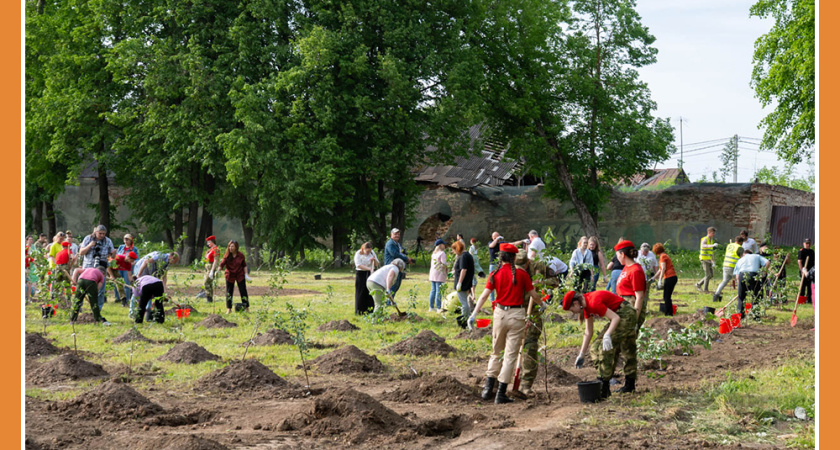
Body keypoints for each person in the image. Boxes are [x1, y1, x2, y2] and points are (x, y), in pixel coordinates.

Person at [468, 243, 547, 404]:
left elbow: (483, 296)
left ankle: (487, 389)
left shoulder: (494, 273)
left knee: (496, 351)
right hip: (517, 315)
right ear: (514, 257)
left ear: (501, 257)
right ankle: (501, 394)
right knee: (510, 355)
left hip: (499, 314)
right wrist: (542, 305)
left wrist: (474, 314)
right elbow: (534, 294)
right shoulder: (522, 274)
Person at [564, 289, 638, 398]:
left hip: (626, 314)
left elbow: (615, 318)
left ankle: (604, 386)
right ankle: (613, 381)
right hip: (618, 315)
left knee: (606, 348)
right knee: (595, 347)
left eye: (571, 309)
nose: (573, 313)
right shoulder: (586, 307)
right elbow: (588, 332)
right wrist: (582, 354)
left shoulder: (593, 302)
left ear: (575, 303)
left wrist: (607, 335)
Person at [515, 248, 560, 396]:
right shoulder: (510, 269)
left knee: (530, 346)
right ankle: (502, 382)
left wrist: (541, 283)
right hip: (515, 312)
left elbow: (555, 281)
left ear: (528, 262)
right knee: (511, 347)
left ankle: (526, 383)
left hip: (533, 312)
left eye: (523, 265)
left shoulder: (539, 267)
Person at [79, 225, 117, 310]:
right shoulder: (88, 238)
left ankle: (97, 309)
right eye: (100, 233)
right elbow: (81, 252)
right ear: (95, 232)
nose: (102, 235)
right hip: (88, 266)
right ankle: (78, 307)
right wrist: (89, 245)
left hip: (101, 267)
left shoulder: (108, 241)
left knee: (101, 290)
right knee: (83, 287)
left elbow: (112, 256)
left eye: (104, 234)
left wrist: (113, 253)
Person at [615, 240, 647, 331]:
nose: (617, 258)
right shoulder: (627, 267)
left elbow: (639, 296)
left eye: (617, 255)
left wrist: (634, 319)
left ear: (622, 254)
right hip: (623, 306)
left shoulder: (635, 271)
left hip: (630, 307)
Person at [70, 260, 110, 325]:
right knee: (94, 303)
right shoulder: (102, 276)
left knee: (77, 301)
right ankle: (97, 319)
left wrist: (73, 279)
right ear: (103, 272)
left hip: (81, 281)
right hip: (92, 282)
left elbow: (76, 270)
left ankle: (72, 319)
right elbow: (98, 289)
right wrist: (93, 295)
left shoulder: (88, 269)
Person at [734, 250, 771, 315]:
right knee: (756, 296)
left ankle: (740, 315)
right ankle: (755, 315)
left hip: (742, 275)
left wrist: (740, 288)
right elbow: (768, 262)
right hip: (754, 275)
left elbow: (737, 276)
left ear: (744, 254)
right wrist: (764, 273)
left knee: (741, 298)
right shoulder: (757, 256)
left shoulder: (740, 259)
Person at [383, 228, 414, 298]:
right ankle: (388, 301)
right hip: (391, 266)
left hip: (398, 266)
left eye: (398, 234)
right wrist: (406, 259)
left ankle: (390, 300)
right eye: (395, 234)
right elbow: (395, 254)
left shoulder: (397, 244)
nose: (397, 235)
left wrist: (407, 260)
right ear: (391, 235)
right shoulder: (390, 244)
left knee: (397, 285)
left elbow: (402, 253)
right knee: (393, 284)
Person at [712, 236, 745, 302]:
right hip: (733, 266)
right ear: (741, 242)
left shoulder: (729, 245)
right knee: (739, 281)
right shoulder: (740, 248)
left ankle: (716, 295)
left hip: (725, 265)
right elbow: (742, 258)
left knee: (724, 281)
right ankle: (741, 295)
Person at [220, 240, 249, 314]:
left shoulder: (241, 255)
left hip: (240, 274)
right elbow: (221, 264)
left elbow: (244, 265)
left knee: (243, 291)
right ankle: (229, 309)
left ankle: (246, 308)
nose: (230, 248)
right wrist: (217, 271)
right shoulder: (227, 255)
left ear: (236, 247)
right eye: (229, 246)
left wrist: (246, 274)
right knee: (229, 292)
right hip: (230, 275)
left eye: (232, 246)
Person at [112, 234, 140, 307]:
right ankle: (118, 298)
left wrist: (132, 282)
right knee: (117, 283)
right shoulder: (121, 247)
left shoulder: (134, 249)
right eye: (125, 239)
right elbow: (113, 260)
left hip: (126, 267)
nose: (126, 241)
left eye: (127, 239)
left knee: (126, 283)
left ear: (131, 240)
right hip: (118, 267)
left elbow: (137, 259)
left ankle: (126, 300)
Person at [451, 241, 475, 323]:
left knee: (464, 303)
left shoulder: (463, 256)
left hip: (463, 283)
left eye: (454, 250)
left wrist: (459, 282)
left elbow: (464, 269)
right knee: (465, 301)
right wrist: (453, 272)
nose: (453, 252)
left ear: (457, 249)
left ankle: (466, 319)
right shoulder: (468, 255)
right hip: (468, 281)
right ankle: (466, 316)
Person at [652, 243, 677, 316]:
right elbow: (660, 270)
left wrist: (660, 280)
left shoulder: (663, 257)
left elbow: (663, 269)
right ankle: (669, 312)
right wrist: (654, 277)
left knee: (666, 296)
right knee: (667, 296)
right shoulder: (665, 256)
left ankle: (668, 313)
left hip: (669, 277)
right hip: (672, 277)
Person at [354, 242, 379, 315]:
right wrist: (369, 268)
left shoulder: (372, 252)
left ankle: (370, 310)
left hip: (370, 273)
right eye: (367, 251)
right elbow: (358, 265)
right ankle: (360, 311)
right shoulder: (358, 253)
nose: (369, 253)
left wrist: (374, 260)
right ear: (363, 249)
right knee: (361, 291)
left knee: (370, 291)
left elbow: (377, 264)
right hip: (361, 273)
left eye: (370, 251)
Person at [695, 227, 719, 292]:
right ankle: (705, 290)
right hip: (704, 259)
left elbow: (711, 252)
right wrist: (712, 245)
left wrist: (713, 260)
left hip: (709, 260)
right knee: (707, 275)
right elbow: (703, 245)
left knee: (711, 275)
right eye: (712, 233)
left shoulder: (711, 240)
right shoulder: (705, 239)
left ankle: (698, 284)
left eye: (714, 233)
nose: (714, 234)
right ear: (708, 232)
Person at [428, 239, 448, 312]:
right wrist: (449, 264)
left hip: (432, 273)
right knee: (438, 291)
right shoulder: (442, 253)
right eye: (443, 244)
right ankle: (439, 307)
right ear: (440, 245)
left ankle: (431, 307)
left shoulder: (434, 253)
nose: (444, 245)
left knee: (433, 290)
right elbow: (443, 264)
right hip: (439, 273)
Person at [487, 232, 505, 302]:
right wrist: (496, 239)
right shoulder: (490, 242)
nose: (495, 238)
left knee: (501, 282)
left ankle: (500, 298)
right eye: (494, 237)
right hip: (493, 265)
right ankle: (492, 299)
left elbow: (512, 244)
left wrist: (522, 241)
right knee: (491, 282)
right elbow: (491, 246)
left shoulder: (501, 243)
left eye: (497, 236)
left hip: (500, 264)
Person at [203, 235, 221, 304]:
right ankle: (209, 298)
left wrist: (212, 271)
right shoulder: (210, 250)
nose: (208, 244)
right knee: (208, 283)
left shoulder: (216, 250)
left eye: (209, 242)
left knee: (206, 283)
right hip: (207, 267)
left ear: (212, 242)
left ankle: (209, 298)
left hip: (211, 267)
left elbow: (215, 261)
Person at [797, 238, 815, 304]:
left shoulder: (812, 251)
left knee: (810, 285)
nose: (808, 245)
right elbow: (799, 261)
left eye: (809, 243)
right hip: (804, 270)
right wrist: (802, 270)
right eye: (807, 243)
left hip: (811, 271)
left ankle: (809, 299)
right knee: (803, 285)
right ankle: (801, 299)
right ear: (804, 244)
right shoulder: (801, 251)